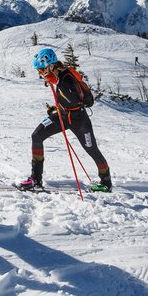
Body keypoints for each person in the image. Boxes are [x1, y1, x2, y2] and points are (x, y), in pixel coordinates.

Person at [16, 48, 112, 192]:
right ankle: (36, 179)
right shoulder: (59, 75)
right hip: (62, 115)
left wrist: (60, 92)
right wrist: (57, 105)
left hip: (79, 120)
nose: (40, 73)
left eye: (41, 70)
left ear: (50, 65)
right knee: (37, 136)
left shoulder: (67, 80)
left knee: (91, 149)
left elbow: (76, 101)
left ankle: (106, 183)